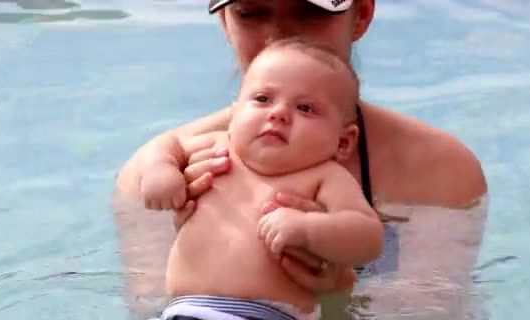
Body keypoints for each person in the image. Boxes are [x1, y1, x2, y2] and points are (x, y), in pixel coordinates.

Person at [113, 0, 488, 318]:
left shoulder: (438, 170)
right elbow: (155, 309)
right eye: (251, 13)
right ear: (225, 23)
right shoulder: (160, 170)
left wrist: (338, 297)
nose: (280, 37)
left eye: (308, 11)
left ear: (361, 15)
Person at [140, 38, 383, 320]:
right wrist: (161, 168)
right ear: (234, 113)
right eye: (262, 99)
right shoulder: (217, 148)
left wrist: (309, 229)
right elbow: (166, 143)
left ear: (343, 142)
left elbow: (368, 236)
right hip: (180, 311)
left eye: (304, 108)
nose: (278, 113)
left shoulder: (325, 178)